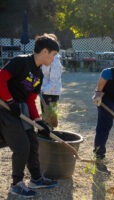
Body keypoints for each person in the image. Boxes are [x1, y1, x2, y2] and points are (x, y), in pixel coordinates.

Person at [0, 34, 59, 198]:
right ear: (45, 51)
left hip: (20, 109)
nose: (53, 59)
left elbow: (31, 99)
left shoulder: (38, 74)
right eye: (53, 55)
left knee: (33, 143)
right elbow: (0, 79)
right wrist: (10, 101)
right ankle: (16, 184)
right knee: (22, 146)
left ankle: (36, 179)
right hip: (4, 108)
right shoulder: (21, 61)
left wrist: (39, 121)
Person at [40, 34, 63, 127]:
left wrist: (43, 90)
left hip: (51, 92)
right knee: (45, 116)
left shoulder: (55, 61)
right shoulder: (44, 57)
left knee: (50, 117)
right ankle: (46, 133)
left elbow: (53, 81)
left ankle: (49, 135)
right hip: (44, 91)